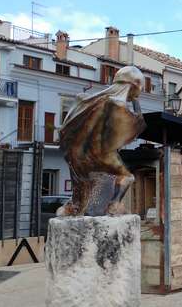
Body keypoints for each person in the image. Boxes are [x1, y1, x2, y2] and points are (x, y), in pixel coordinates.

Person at [58, 66, 146, 216]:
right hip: (100, 153)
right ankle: (114, 205)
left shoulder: (88, 100)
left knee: (82, 180)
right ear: (134, 85)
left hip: (76, 154)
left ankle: (74, 206)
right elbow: (135, 126)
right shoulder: (117, 105)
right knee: (127, 177)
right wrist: (137, 106)